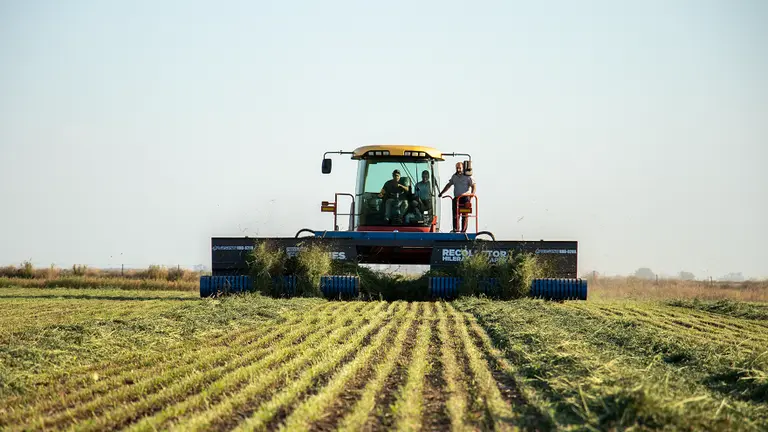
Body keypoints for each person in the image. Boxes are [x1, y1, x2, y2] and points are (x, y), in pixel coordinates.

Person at [438, 162, 476, 232]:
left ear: (463, 168)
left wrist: (472, 195)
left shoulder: (468, 176)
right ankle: (456, 229)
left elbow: (473, 186)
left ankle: (463, 230)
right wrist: (441, 193)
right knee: (455, 214)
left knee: (464, 215)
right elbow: (449, 185)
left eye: (460, 168)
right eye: (457, 168)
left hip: (465, 198)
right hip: (457, 198)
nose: (458, 169)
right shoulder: (454, 177)